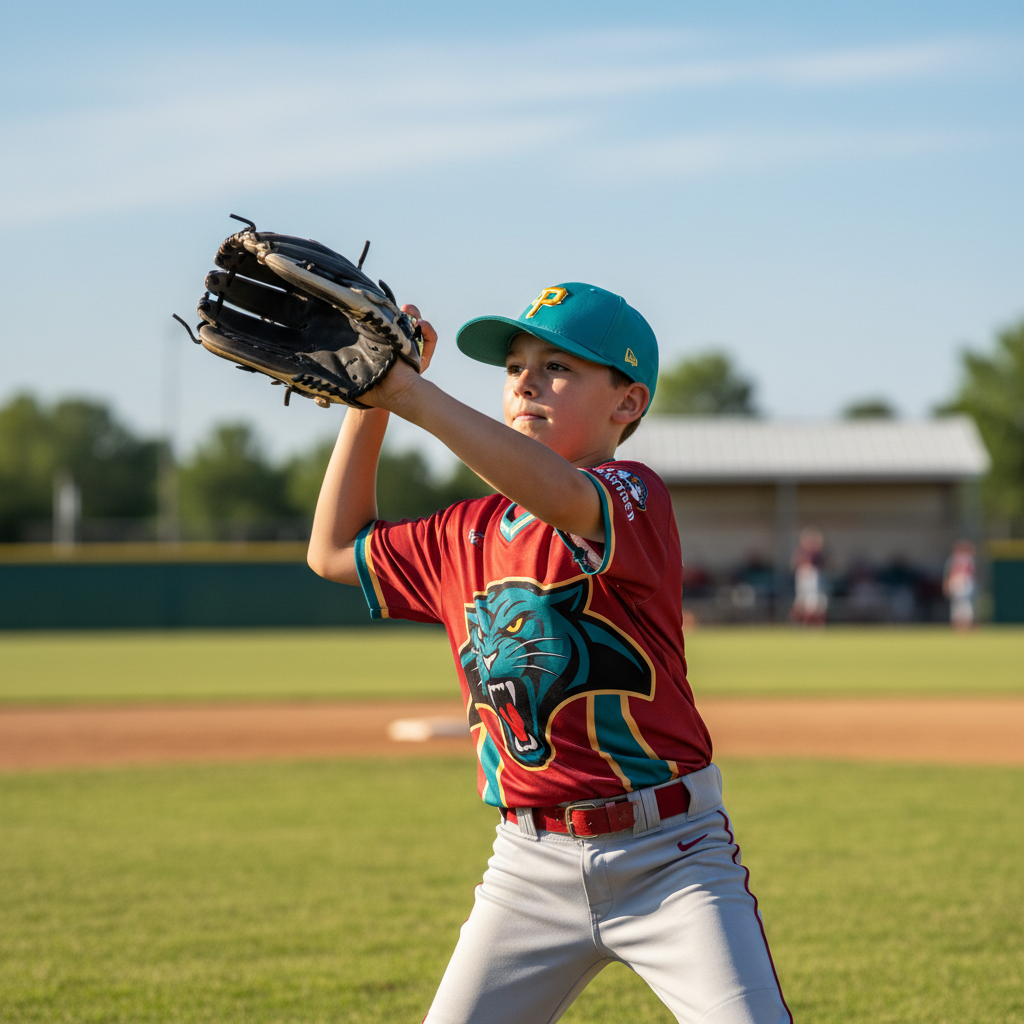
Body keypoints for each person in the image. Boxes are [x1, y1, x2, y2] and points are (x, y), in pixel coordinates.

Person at [307, 283, 791, 1023]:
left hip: (672, 858)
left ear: (627, 404)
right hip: (527, 866)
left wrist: (409, 393)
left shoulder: (631, 496)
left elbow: (562, 497)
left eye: (558, 366)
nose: (526, 380)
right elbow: (333, 550)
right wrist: (367, 404)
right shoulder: (461, 532)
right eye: (513, 367)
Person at [790, 527, 827, 626]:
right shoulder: (801, 553)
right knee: (802, 603)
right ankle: (800, 624)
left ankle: (815, 625)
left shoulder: (817, 554)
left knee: (816, 603)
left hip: (814, 577)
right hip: (804, 577)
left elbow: (825, 564)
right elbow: (794, 564)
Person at [943, 540, 976, 631]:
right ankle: (963, 624)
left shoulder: (956, 558)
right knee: (963, 604)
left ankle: (962, 624)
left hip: (961, 582)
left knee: (962, 604)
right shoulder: (963, 558)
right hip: (962, 582)